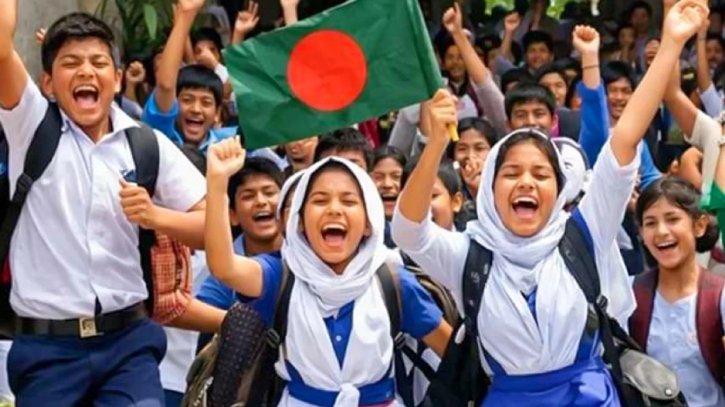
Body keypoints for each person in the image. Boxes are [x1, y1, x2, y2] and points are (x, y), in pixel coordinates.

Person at [392, 1, 707, 404]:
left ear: (559, 191)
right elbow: (408, 231)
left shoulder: (583, 234)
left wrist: (671, 44)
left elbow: (625, 137)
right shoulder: (470, 255)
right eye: (511, 173)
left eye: (541, 175)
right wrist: (436, 143)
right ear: (489, 189)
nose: (526, 182)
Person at [0, 0, 217, 404]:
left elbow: (213, 229)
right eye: (71, 63)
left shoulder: (146, 144)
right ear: (47, 83)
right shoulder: (29, 126)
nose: (86, 71)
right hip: (47, 352)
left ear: (117, 79)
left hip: (128, 347)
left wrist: (155, 216)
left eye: (98, 62)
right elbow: (1, 47)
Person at [204, 136, 452, 406]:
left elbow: (455, 356)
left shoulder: (392, 281)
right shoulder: (281, 277)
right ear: (299, 221)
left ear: (369, 223)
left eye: (348, 201)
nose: (334, 210)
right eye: (320, 201)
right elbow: (224, 267)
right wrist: (217, 182)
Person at [631, 177, 724, 407]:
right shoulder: (631, 296)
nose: (661, 231)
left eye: (672, 219)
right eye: (650, 223)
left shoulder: (718, 297)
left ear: (699, 225)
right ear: (641, 234)